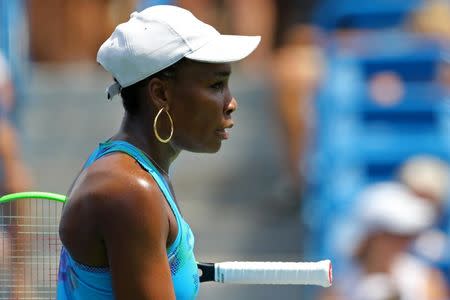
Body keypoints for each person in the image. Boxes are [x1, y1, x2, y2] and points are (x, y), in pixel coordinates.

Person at [56, 5, 260, 300]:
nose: (231, 102)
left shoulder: (138, 173)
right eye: (216, 85)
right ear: (160, 93)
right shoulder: (129, 190)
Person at [320, 182, 448, 300]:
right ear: (374, 237)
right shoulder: (341, 287)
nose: (404, 241)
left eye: (407, 235)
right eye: (395, 234)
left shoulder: (425, 281)